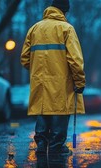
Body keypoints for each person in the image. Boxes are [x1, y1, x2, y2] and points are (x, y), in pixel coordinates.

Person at [20, 0, 86, 155]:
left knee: (43, 110)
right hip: (61, 82)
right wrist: (79, 81)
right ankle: (56, 147)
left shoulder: (34, 29)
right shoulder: (66, 29)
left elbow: (24, 59)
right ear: (64, 11)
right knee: (59, 112)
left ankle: (41, 145)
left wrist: (38, 71)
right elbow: (75, 60)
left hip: (40, 81)